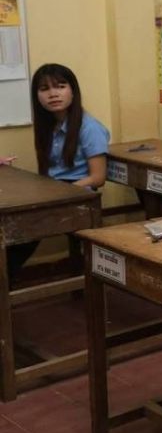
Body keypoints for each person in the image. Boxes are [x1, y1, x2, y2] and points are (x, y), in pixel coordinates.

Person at [7, 64, 110, 284]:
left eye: (60, 86)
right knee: (13, 226)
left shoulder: (89, 127)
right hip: (55, 192)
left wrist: (58, 192)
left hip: (78, 196)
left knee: (21, 230)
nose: (53, 94)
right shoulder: (50, 125)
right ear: (37, 96)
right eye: (44, 89)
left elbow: (98, 177)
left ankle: (5, 281)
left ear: (73, 91)